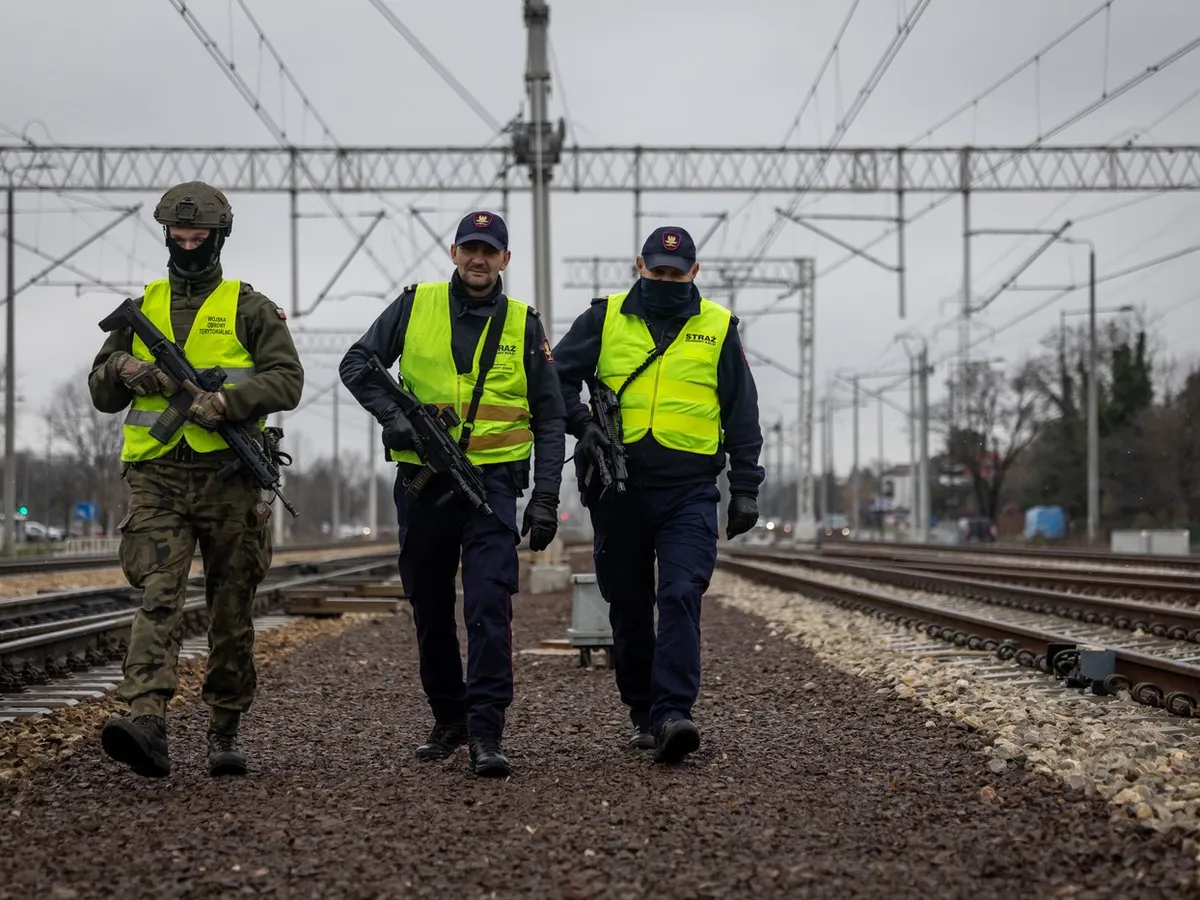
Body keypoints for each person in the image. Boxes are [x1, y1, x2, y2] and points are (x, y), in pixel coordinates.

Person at [87, 181, 304, 779]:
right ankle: (147, 721)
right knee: (159, 596)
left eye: (198, 238)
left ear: (219, 238)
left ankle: (224, 727)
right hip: (157, 475)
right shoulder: (145, 304)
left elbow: (288, 379)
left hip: (229, 478)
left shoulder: (249, 308)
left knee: (230, 609)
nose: (187, 246)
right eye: (177, 237)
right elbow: (100, 389)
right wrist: (124, 368)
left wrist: (229, 402)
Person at [338, 209, 565, 778]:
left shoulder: (524, 324)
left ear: (506, 259)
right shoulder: (415, 306)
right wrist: (393, 415)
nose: (479, 259)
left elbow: (550, 416)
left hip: (492, 488)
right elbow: (357, 364)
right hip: (422, 484)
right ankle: (449, 720)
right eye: (470, 248)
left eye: (490, 250)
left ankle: (487, 731)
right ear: (454, 252)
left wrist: (545, 496)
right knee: (430, 607)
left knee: (490, 604)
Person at [553, 225, 764, 764]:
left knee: (679, 594)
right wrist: (583, 423)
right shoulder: (603, 318)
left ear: (694, 272)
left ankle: (674, 713)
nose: (665, 279)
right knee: (627, 605)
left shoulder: (718, 328)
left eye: (676, 272)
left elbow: (741, 412)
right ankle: (644, 710)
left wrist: (745, 488)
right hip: (617, 489)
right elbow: (555, 381)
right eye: (657, 270)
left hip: (689, 491)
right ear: (639, 266)